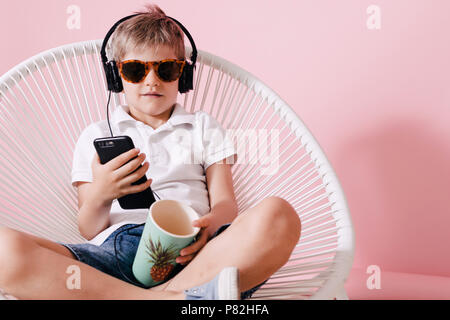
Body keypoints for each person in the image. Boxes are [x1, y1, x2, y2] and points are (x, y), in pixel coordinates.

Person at [0, 4, 301, 300]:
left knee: (279, 216)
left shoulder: (203, 127)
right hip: (114, 258)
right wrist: (103, 193)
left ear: (183, 76)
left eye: (167, 69)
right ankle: (174, 298)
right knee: (4, 249)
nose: (151, 80)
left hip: (195, 254)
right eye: (135, 70)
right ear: (116, 77)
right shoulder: (97, 135)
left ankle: (159, 294)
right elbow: (89, 229)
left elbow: (225, 202)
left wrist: (210, 225)